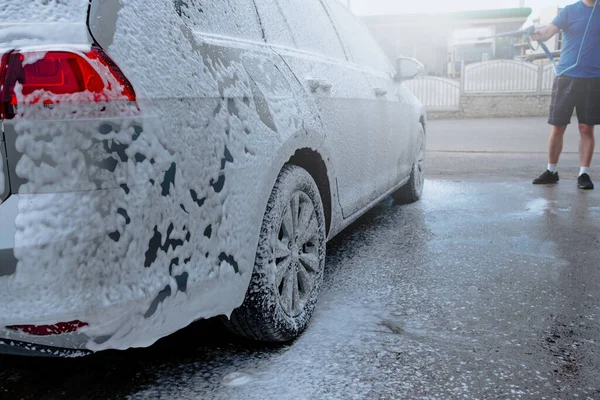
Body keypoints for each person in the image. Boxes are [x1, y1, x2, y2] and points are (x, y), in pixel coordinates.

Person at [531, 0, 600, 190]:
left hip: (594, 78)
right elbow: (548, 31)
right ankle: (551, 171)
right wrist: (538, 35)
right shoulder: (570, 11)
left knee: (586, 128)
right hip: (566, 76)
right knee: (557, 127)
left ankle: (583, 174)